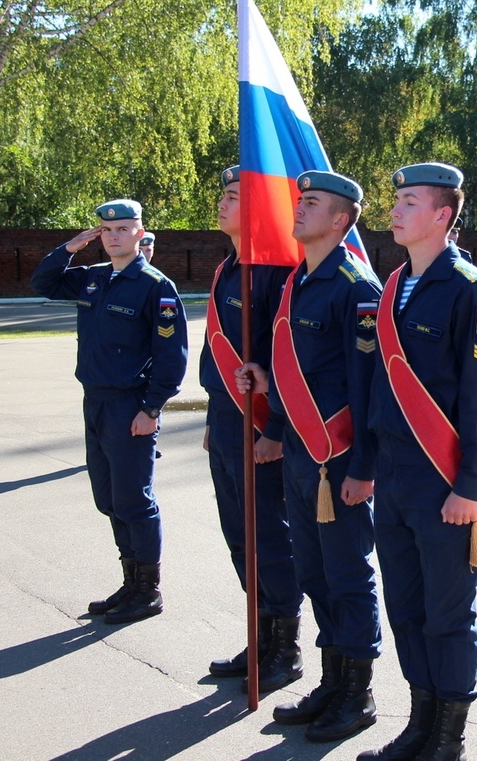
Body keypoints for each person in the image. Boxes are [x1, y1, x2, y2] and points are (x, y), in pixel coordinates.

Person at [236, 170, 384, 743]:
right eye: (301, 201)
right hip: (301, 455)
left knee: (348, 575)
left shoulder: (355, 286)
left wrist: (363, 468)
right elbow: (294, 371)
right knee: (314, 572)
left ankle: (358, 692)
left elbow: (367, 386)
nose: (299, 210)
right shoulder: (298, 280)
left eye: (313, 204)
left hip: (339, 461)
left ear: (341, 220)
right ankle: (330, 680)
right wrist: (270, 411)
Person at [359, 163, 477, 761]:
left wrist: (469, 483)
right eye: (396, 201)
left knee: (447, 615)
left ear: (442, 215)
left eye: (409, 202)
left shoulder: (470, 288)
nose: (395, 210)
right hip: (393, 480)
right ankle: (418, 724)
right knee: (406, 609)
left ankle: (448, 738)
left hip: (445, 485)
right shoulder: (392, 286)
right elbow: (377, 390)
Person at [30, 198, 188, 624]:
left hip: (130, 405)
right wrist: (70, 248)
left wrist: (151, 408)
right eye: (107, 230)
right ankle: (130, 580)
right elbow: (42, 283)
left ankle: (148, 591)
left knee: (134, 500)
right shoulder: (92, 279)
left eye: (123, 229)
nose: (114, 235)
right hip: (95, 402)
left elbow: (171, 356)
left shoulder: (155, 286)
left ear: (139, 232)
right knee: (109, 498)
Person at [201, 165, 305, 695]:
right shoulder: (227, 268)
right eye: (222, 194)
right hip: (224, 421)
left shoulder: (273, 274)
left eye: (236, 196)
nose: (223, 203)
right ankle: (259, 631)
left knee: (267, 535)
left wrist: (277, 432)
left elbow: (284, 361)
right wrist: (211, 420)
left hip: (259, 426)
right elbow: (214, 355)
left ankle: (285, 646)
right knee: (237, 533)